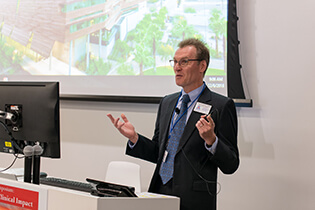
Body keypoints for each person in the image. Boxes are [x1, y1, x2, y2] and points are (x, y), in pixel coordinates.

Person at [107, 38, 239, 210]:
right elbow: (159, 152)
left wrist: (211, 141)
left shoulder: (220, 105)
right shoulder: (168, 102)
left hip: (193, 200)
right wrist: (135, 138)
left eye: (184, 62)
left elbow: (231, 164)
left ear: (202, 66)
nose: (177, 67)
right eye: (175, 62)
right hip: (159, 192)